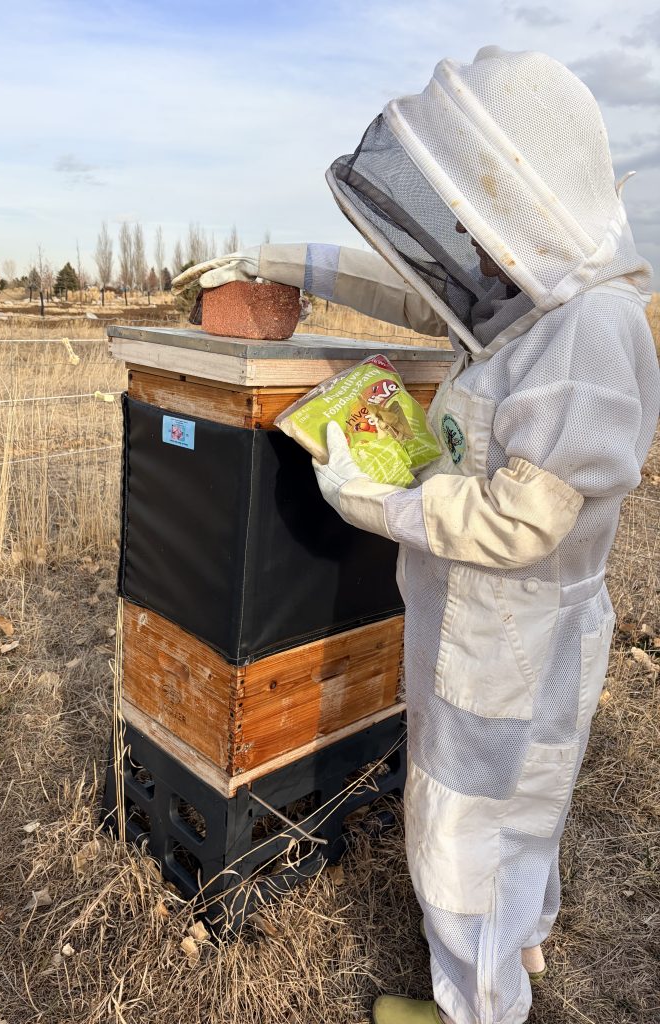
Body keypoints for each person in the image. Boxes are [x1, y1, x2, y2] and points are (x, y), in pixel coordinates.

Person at [173, 47, 659, 1024]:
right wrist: (277, 263)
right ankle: (519, 944)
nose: (475, 250)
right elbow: (405, 295)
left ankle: (475, 1005)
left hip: (504, 642)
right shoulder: (547, 314)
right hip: (522, 634)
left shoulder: (590, 337)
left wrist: (378, 498)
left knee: (461, 830)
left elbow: (525, 519)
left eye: (483, 223)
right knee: (524, 809)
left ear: (531, 200)